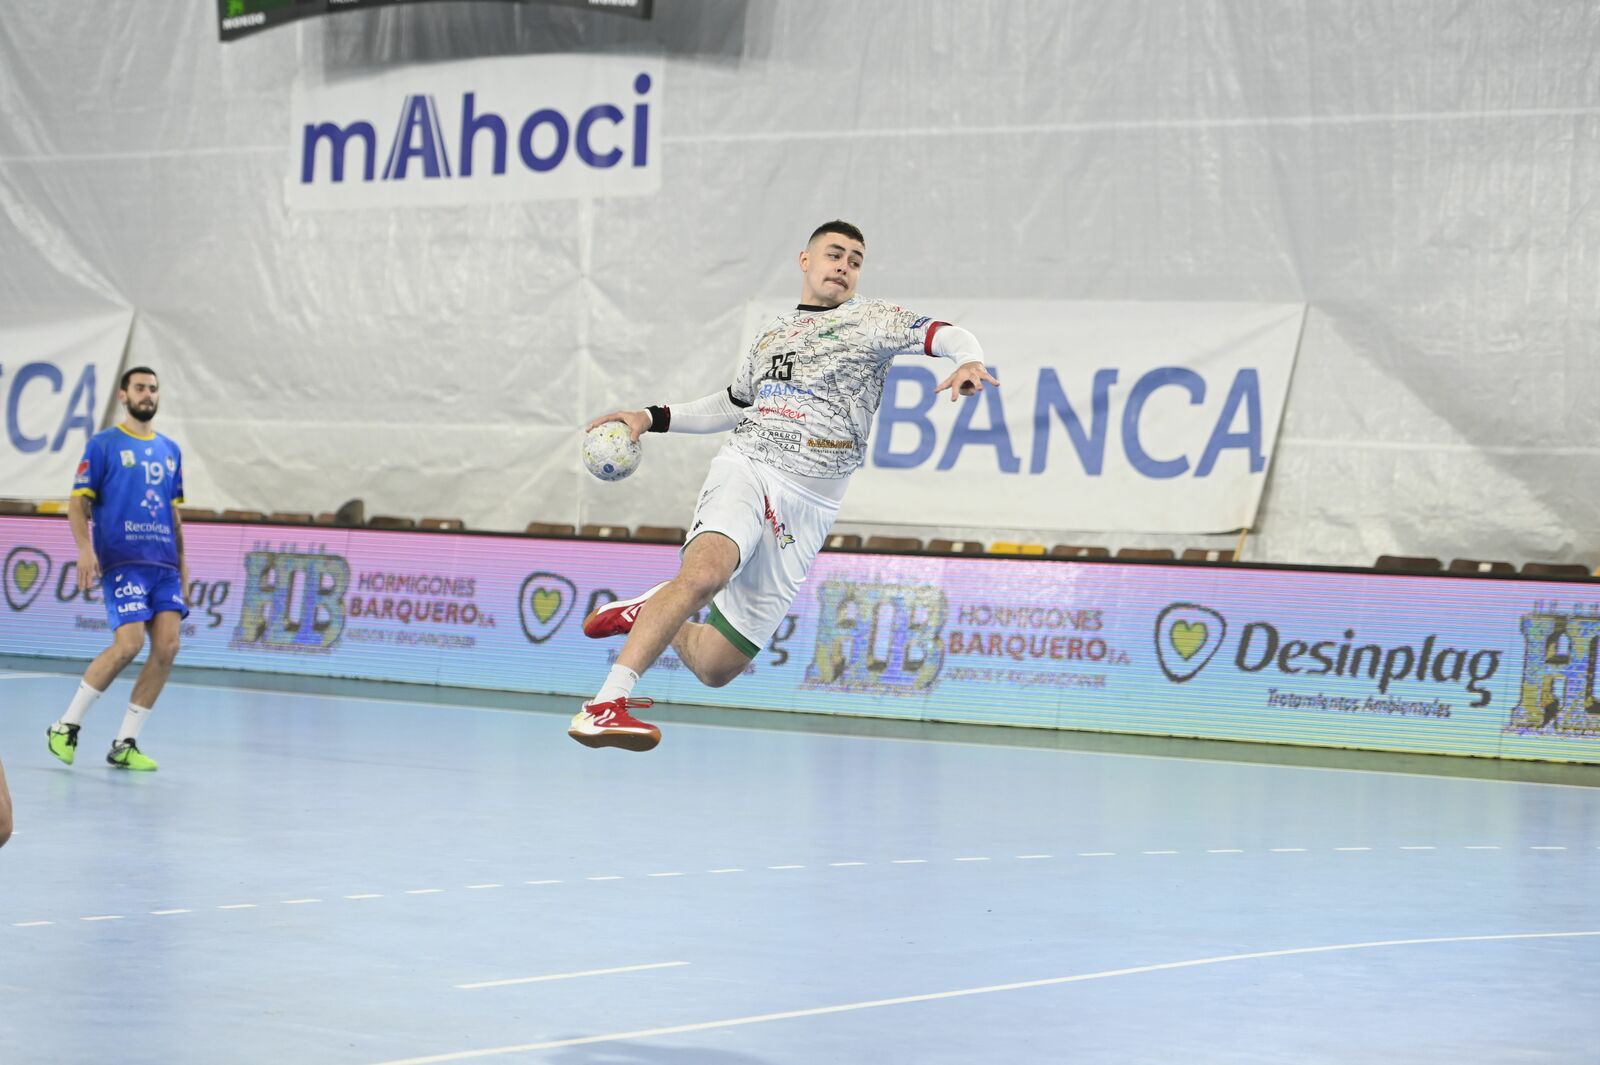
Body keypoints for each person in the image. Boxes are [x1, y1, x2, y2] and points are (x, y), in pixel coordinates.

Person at [572, 220, 998, 751]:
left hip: (812, 505)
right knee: (704, 576)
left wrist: (969, 360)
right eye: (834, 254)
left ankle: (660, 603)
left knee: (714, 665)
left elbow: (950, 334)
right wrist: (649, 416)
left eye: (855, 260)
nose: (843, 266)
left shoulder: (874, 322)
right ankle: (604, 704)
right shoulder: (773, 334)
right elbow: (733, 403)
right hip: (749, 466)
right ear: (805, 260)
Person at [46, 367, 190, 771]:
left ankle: (125, 743)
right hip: (124, 562)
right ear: (124, 395)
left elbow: (173, 515)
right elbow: (77, 503)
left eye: (154, 389)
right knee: (129, 645)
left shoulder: (170, 450)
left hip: (163, 563)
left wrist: (184, 565)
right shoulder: (104, 444)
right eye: (140, 388)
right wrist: (84, 549)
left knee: (167, 648)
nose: (148, 394)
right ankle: (65, 725)